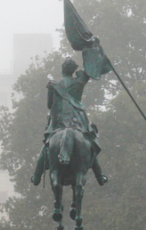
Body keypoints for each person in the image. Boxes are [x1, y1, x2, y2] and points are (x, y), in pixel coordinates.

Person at [31, 56, 107, 186]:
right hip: (78, 122)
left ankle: (37, 176)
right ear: (73, 71)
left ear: (62, 70)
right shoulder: (79, 82)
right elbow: (91, 69)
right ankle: (99, 175)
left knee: (46, 148)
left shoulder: (55, 85)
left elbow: (50, 106)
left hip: (59, 124)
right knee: (90, 145)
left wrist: (50, 89)